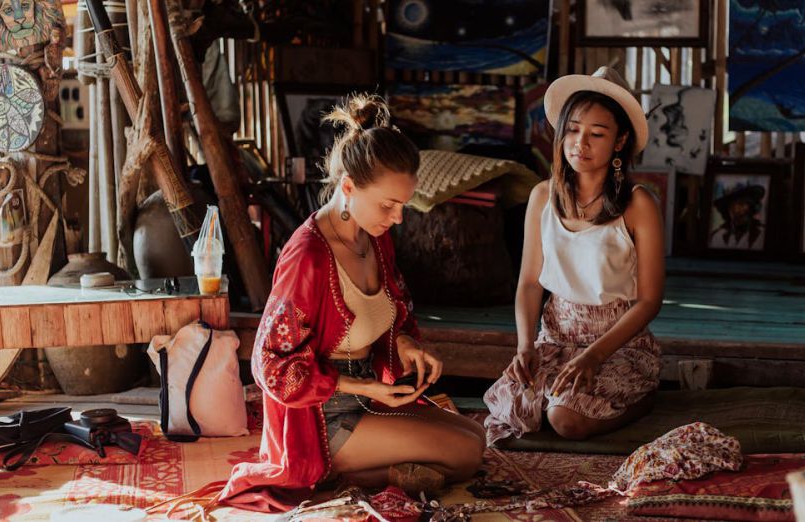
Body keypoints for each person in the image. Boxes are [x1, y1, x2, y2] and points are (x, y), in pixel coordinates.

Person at [219, 94, 485, 513]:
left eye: (403, 205)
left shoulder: (375, 236)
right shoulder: (307, 255)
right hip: (323, 418)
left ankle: (368, 470)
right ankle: (327, 473)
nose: (398, 218)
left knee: (475, 440)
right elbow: (270, 367)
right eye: (388, 204)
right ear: (347, 187)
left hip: (368, 397)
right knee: (463, 454)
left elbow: (392, 313)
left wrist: (407, 346)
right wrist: (361, 385)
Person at [483, 67, 665, 444]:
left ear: (620, 142)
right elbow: (530, 283)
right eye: (573, 129)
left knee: (566, 420)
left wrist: (594, 357)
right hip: (556, 337)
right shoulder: (541, 198)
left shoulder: (637, 203)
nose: (580, 143)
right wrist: (525, 346)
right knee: (516, 407)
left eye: (597, 134)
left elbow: (649, 301)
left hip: (618, 343)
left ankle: (643, 398)